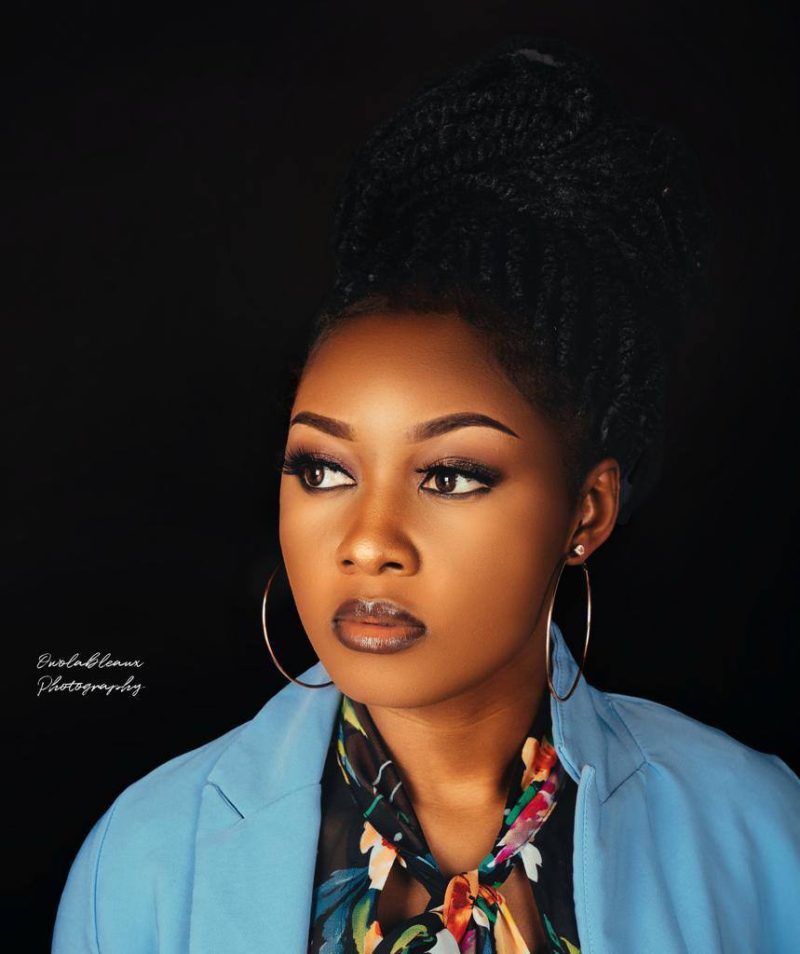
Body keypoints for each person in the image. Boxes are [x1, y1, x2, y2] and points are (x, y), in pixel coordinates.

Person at [52, 35, 800, 954]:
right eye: (323, 470)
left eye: (449, 476)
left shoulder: (764, 835)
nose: (368, 541)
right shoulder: (144, 862)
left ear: (587, 513)